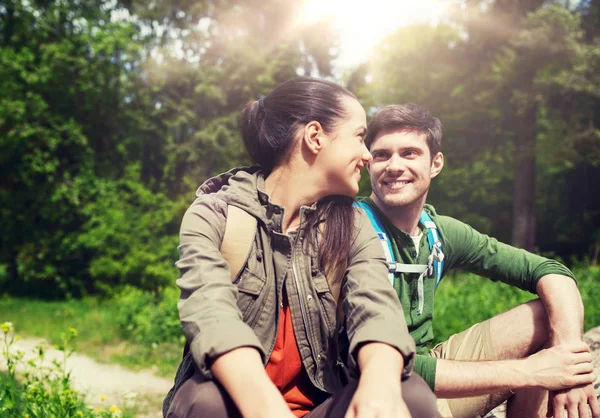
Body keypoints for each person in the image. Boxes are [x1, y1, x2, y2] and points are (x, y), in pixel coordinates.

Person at [162, 78, 439, 418]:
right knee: (206, 403)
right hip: (247, 407)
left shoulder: (353, 225)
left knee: (412, 395)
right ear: (315, 137)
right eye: (359, 136)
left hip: (320, 407)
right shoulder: (214, 213)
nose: (368, 156)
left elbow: (377, 310)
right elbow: (211, 316)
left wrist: (379, 388)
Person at [360, 103, 599, 418]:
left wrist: (568, 368)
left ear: (436, 164)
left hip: (427, 376)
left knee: (547, 315)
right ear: (368, 165)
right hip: (376, 388)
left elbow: (550, 270)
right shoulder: (350, 227)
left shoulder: (438, 232)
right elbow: (379, 363)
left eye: (409, 153)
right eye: (381, 155)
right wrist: (530, 371)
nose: (393, 165)